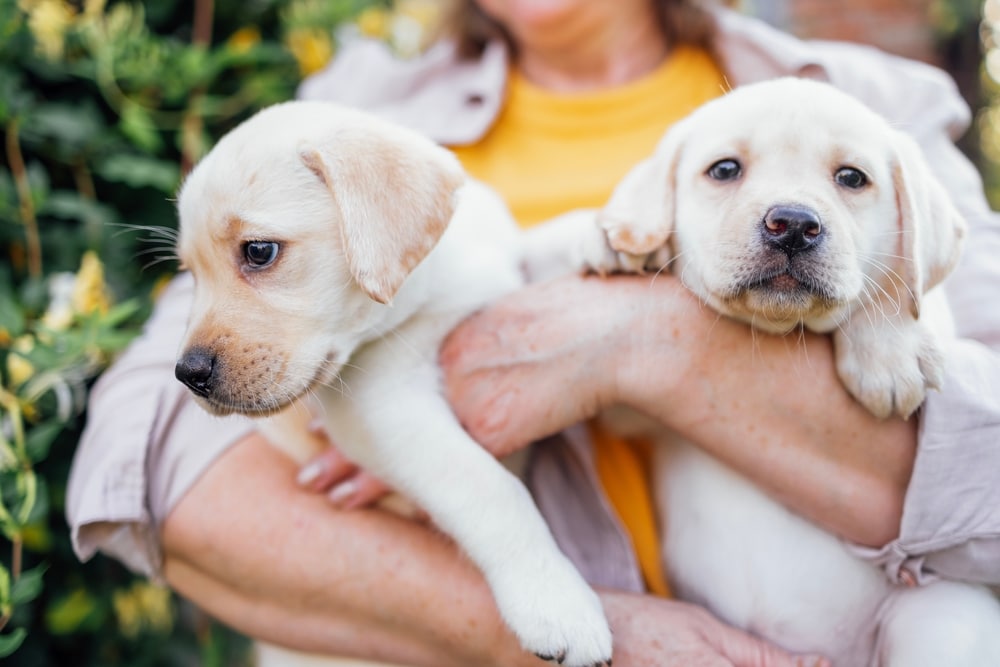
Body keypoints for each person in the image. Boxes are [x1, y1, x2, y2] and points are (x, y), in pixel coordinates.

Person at [66, 0, 1000, 664]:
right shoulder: (357, 111)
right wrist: (553, 630)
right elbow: (141, 459)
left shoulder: (879, 104)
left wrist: (634, 343)